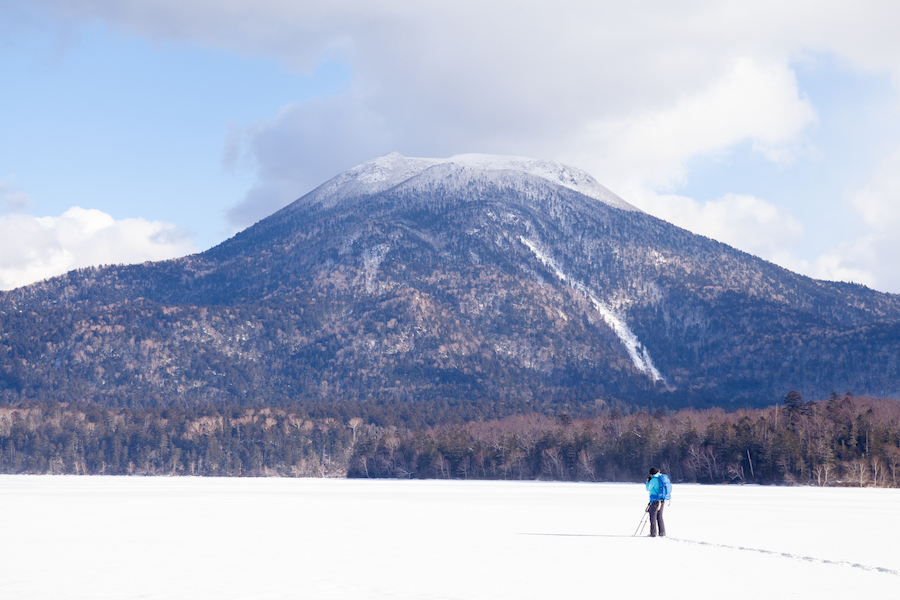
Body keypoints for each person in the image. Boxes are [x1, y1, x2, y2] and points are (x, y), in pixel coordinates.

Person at [645, 467, 666, 537]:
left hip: (655, 500)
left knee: (652, 516)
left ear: (651, 474)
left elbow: (648, 488)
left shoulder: (653, 479)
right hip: (662, 499)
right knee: (659, 516)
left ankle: (653, 533)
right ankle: (662, 533)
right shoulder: (661, 477)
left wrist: (648, 481)